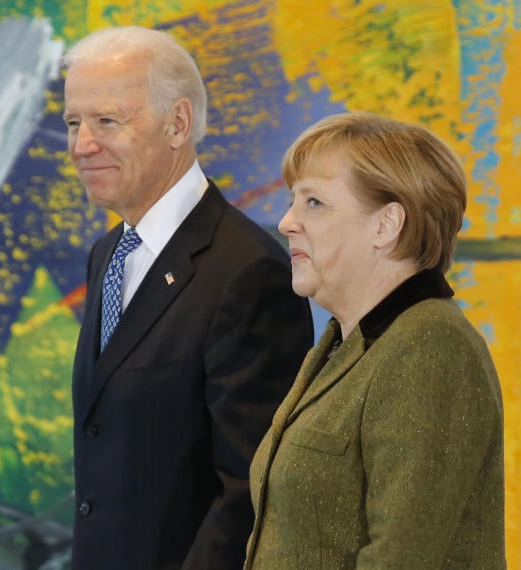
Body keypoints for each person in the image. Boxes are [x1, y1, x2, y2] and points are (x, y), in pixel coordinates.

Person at [63, 26, 314, 569]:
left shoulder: (248, 273)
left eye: (107, 120)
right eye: (73, 122)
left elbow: (251, 490)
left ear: (177, 123)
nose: (82, 144)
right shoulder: (108, 253)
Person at [244, 112, 506, 569]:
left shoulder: (430, 347)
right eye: (292, 201)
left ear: (386, 225)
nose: (286, 222)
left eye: (314, 203)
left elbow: (401, 559)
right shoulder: (349, 341)